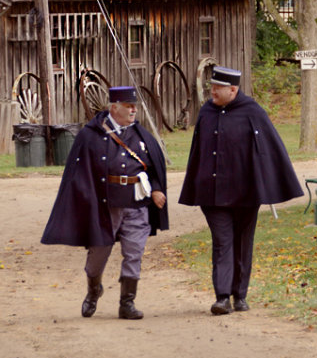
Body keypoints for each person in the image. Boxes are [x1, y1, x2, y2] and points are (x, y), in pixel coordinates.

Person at [179, 66, 303, 315]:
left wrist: (267, 184)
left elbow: (269, 150)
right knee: (222, 243)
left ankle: (240, 295)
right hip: (213, 195)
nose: (212, 91)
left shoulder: (253, 112)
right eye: (211, 87)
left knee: (243, 243)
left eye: (217, 88)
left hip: (246, 195)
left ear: (233, 90)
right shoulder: (206, 112)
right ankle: (222, 297)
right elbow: (197, 153)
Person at [41, 86, 168, 320]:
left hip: (136, 204)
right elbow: (77, 174)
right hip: (104, 207)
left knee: (134, 253)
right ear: (114, 107)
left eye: (134, 106)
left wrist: (157, 189)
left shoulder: (141, 135)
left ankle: (127, 303)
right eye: (128, 106)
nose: (133, 110)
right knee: (98, 256)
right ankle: (93, 289)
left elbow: (152, 167)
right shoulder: (90, 135)